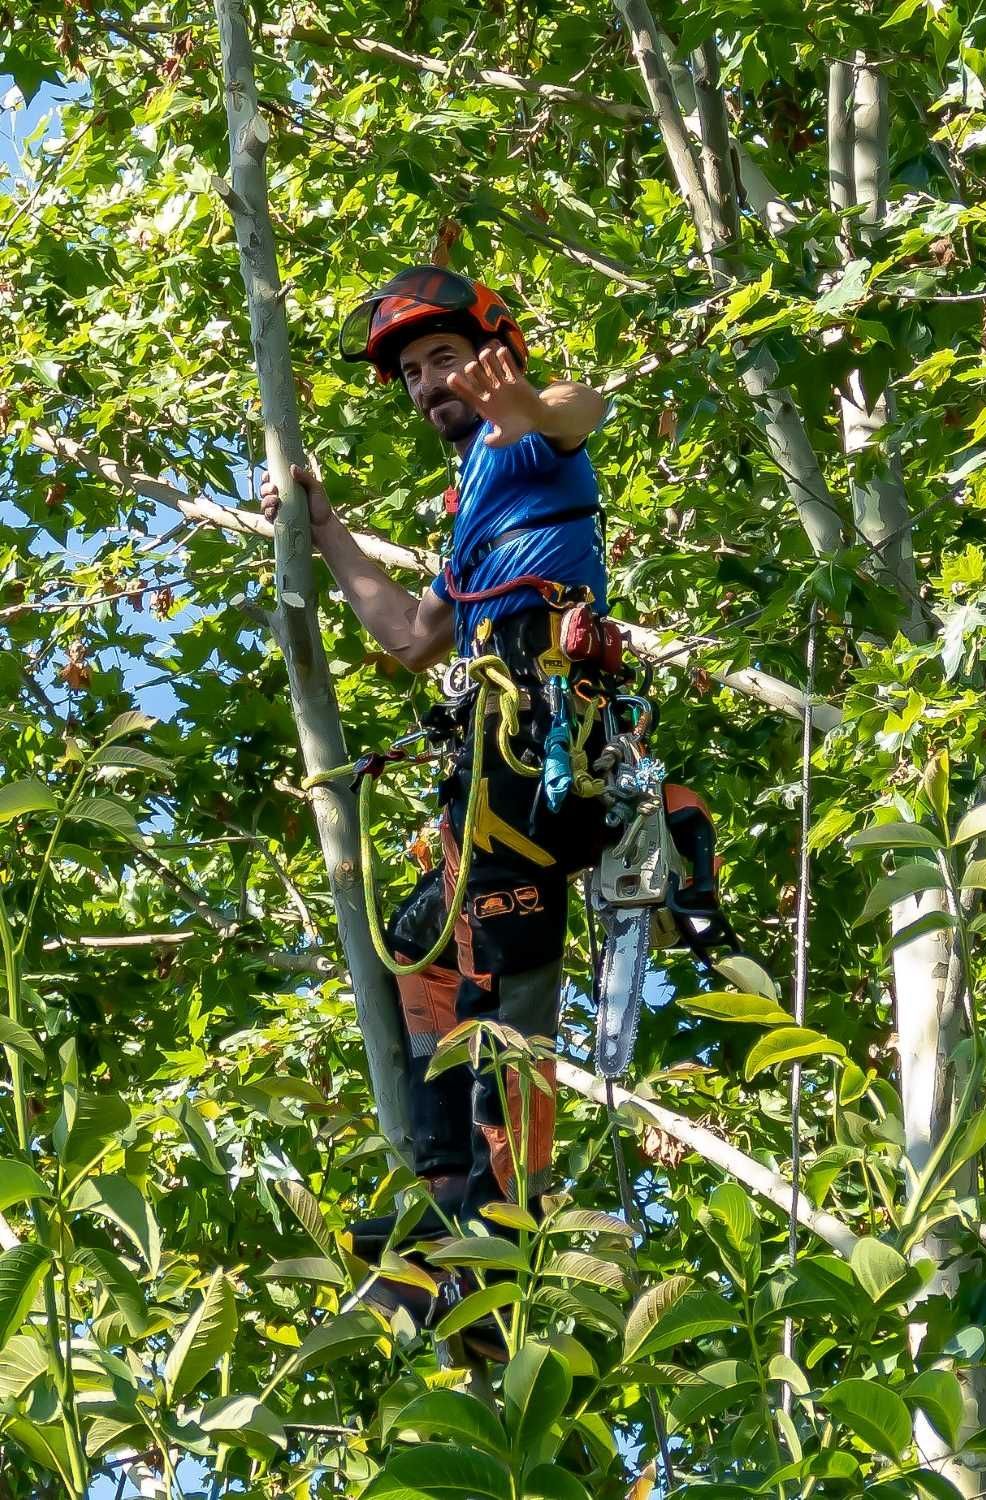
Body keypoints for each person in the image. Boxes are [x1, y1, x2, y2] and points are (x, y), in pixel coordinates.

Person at [260, 266, 615, 1347]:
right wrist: (322, 531)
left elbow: (578, 408)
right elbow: (413, 639)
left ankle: (500, 1229)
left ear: (493, 346)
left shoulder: (528, 436)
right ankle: (444, 1193)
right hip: (481, 752)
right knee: (420, 947)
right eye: (411, 373)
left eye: (441, 359)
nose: (427, 385)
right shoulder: (466, 496)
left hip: (534, 736)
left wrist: (523, 406)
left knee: (501, 980)